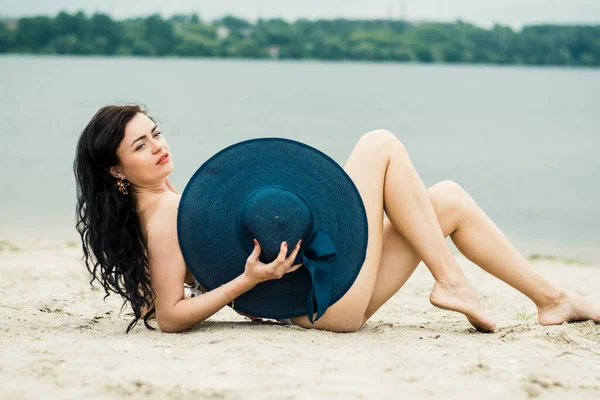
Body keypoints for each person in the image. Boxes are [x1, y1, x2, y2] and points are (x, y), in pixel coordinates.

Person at [74, 104, 600, 334]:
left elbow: (156, 296)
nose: (159, 148)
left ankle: (553, 301)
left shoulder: (164, 200)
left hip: (320, 299)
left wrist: (248, 288)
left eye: (156, 133)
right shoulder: (163, 212)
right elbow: (169, 315)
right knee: (380, 144)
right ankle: (453, 281)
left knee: (448, 200)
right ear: (117, 172)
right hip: (324, 309)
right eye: (140, 146)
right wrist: (248, 282)